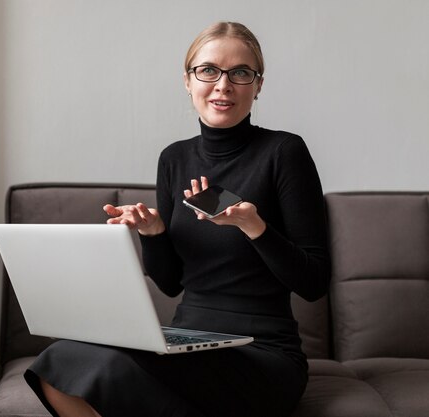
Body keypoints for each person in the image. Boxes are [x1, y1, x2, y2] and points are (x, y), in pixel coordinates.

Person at [24, 21, 330, 417]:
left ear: (258, 85)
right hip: (185, 342)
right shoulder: (175, 159)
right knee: (61, 358)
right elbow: (169, 285)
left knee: (112, 366)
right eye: (208, 71)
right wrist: (154, 232)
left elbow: (314, 283)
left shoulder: (283, 152)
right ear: (188, 81)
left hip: (262, 354)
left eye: (240, 73)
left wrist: (255, 227)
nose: (223, 85)